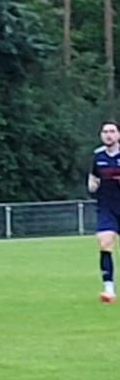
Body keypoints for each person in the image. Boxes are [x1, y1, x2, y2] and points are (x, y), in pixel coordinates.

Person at [86, 120, 120, 302]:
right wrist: (92, 185)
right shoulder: (97, 156)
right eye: (105, 132)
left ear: (118, 135)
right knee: (104, 242)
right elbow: (93, 179)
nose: (109, 134)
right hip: (106, 207)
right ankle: (108, 289)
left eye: (112, 131)